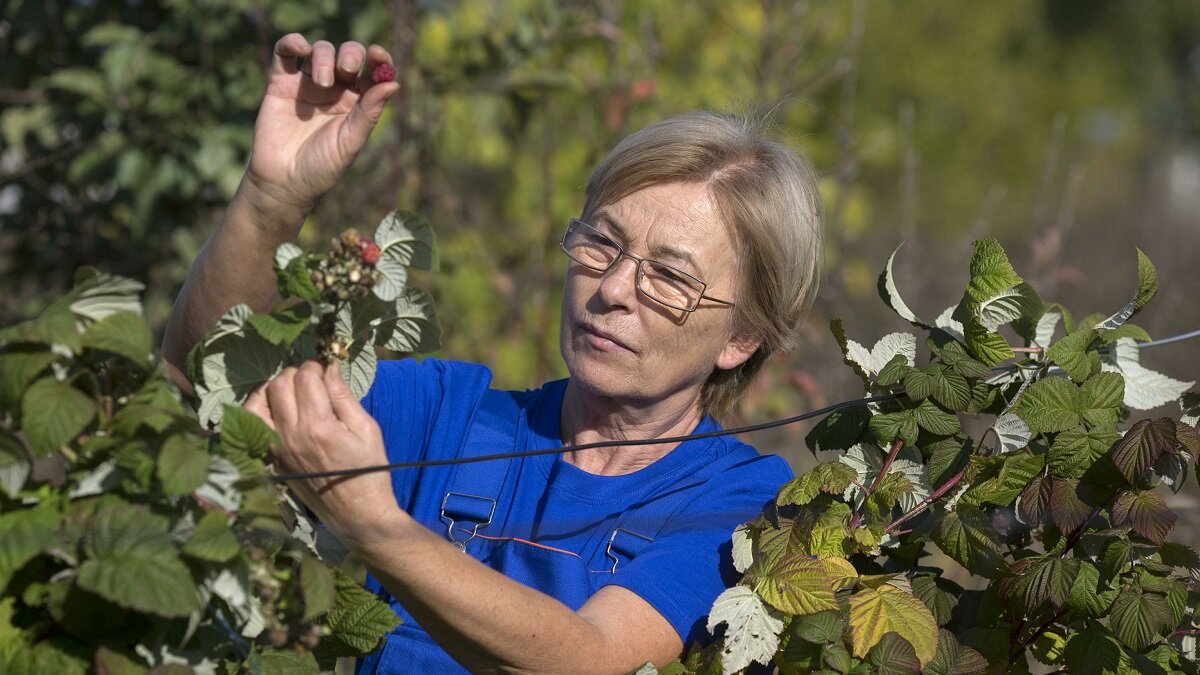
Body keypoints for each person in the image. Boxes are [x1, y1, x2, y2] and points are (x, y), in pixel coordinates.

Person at [162, 33, 822, 674]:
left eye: (671, 278)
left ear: (742, 338)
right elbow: (216, 376)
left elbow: (593, 659)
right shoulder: (447, 415)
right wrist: (270, 200)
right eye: (601, 242)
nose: (614, 289)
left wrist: (376, 524)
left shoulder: (745, 506)